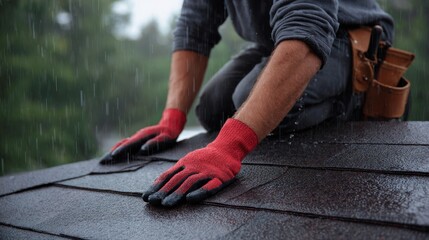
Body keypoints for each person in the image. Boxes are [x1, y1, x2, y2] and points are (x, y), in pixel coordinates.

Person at [101, 0, 394, 207]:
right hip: (275, 39)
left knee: (250, 102)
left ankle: (352, 96)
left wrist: (230, 146)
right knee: (213, 107)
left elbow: (307, 24)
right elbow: (195, 26)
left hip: (347, 37)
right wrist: (172, 118)